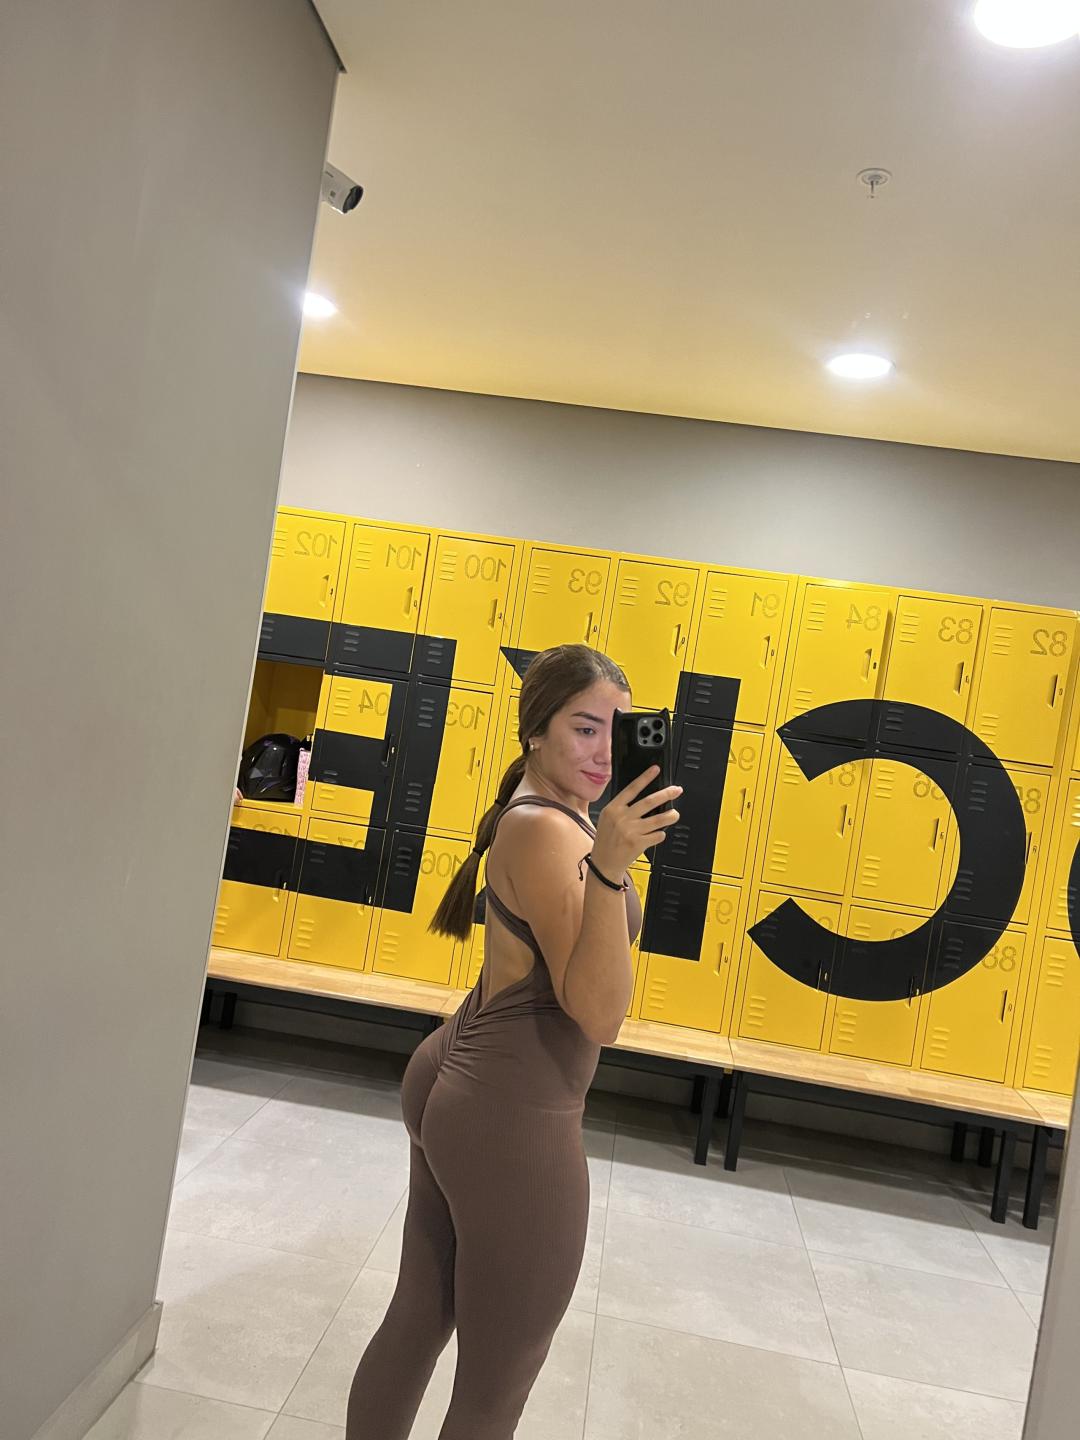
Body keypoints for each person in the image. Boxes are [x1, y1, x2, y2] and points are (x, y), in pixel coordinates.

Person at [346, 643, 681, 1439]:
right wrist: (611, 870)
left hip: (467, 1075)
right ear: (536, 731)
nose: (604, 752)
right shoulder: (549, 833)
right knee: (498, 1383)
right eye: (584, 728)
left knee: (419, 1316)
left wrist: (609, 855)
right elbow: (598, 1015)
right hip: (510, 1111)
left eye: (616, 731)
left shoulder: (547, 814)